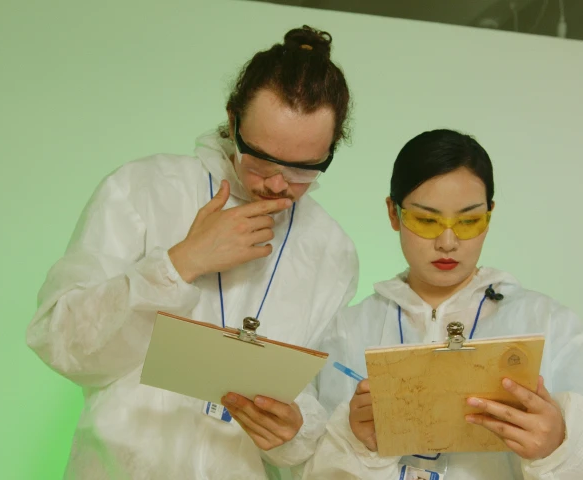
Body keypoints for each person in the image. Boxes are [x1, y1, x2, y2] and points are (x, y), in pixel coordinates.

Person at [25, 26, 359, 479]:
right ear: (232, 119)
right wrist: (180, 263)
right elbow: (60, 341)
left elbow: (319, 422)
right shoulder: (143, 189)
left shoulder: (331, 250)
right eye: (260, 158)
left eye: (304, 169)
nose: (278, 183)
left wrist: (295, 431)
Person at [303, 129, 583, 479]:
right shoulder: (348, 331)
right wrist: (356, 442)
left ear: (490, 214)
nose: (447, 241)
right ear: (393, 214)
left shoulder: (547, 324)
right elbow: (308, 466)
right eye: (426, 220)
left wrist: (561, 447)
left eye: (469, 220)